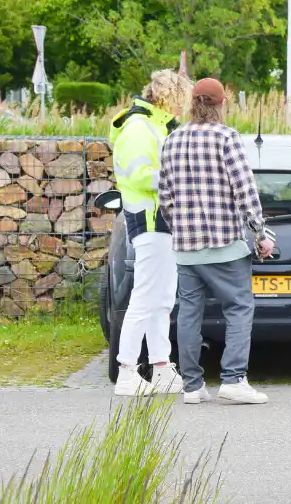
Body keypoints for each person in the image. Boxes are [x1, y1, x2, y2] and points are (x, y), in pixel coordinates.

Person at [158, 77, 276, 406]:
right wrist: (260, 234)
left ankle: (192, 386)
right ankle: (234, 379)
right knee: (239, 307)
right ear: (221, 104)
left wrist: (180, 229)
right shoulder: (227, 138)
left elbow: (165, 198)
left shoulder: (173, 140)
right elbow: (245, 192)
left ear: (192, 104)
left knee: (188, 315)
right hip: (225, 244)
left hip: (186, 250)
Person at [107, 69, 192, 396]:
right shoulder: (139, 127)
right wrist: (181, 179)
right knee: (146, 295)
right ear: (170, 97)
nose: (183, 108)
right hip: (151, 218)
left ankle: (160, 366)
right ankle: (127, 370)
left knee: (162, 297)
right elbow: (139, 176)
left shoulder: (153, 125)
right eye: (181, 100)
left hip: (162, 219)